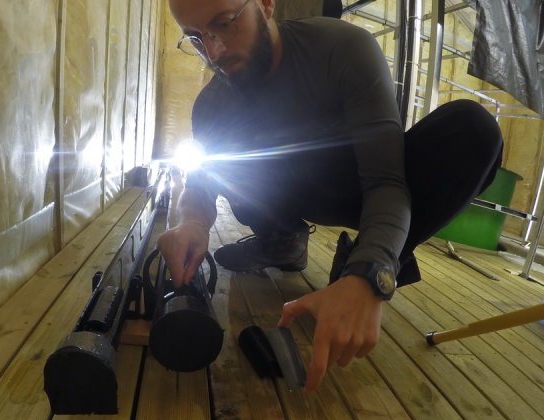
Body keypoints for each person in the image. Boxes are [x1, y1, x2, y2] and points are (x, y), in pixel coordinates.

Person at [157, 0, 503, 392]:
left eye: (224, 23)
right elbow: (201, 183)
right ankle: (281, 242)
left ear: (266, 4)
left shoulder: (343, 48)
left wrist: (370, 274)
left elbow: (386, 182)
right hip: (287, 190)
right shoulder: (212, 105)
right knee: (233, 157)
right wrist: (192, 222)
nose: (214, 50)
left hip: (360, 184)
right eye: (196, 38)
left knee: (474, 131)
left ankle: (363, 263)